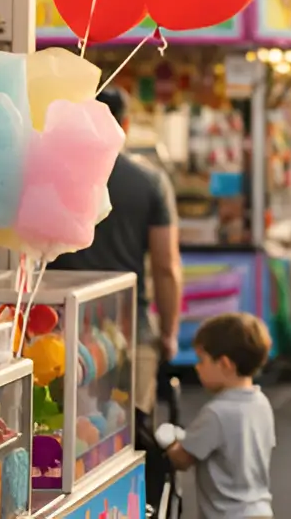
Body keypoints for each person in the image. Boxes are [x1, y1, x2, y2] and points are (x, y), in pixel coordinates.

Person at [50, 88, 181, 419]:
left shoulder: (53, 174)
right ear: (124, 124)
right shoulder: (149, 181)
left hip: (61, 330)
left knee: (69, 428)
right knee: (130, 431)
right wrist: (168, 332)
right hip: (130, 329)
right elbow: (165, 266)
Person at [158, 313, 276, 519]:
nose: (197, 367)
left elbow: (182, 459)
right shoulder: (261, 403)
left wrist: (168, 439)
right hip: (260, 510)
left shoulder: (216, 412)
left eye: (202, 360)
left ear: (224, 364)